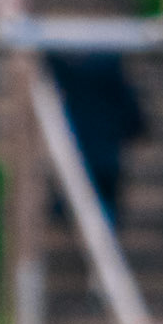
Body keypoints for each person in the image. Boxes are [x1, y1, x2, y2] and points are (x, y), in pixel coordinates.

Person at [47, 52, 147, 227]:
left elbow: (56, 67)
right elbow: (134, 119)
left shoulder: (73, 79)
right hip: (106, 155)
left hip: (81, 151)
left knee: (76, 194)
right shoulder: (115, 82)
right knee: (103, 206)